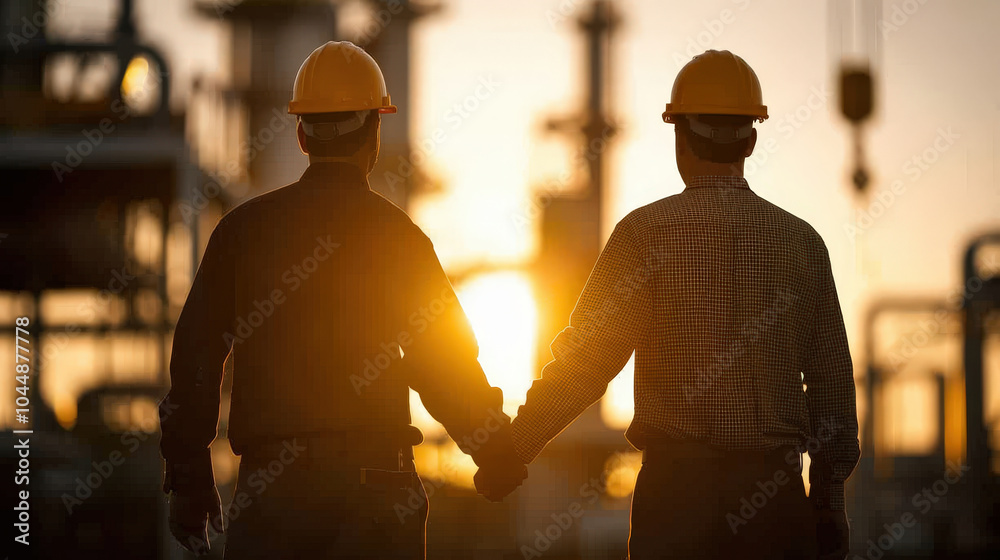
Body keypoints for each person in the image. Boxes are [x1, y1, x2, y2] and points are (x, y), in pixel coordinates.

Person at [475, 50, 860, 559]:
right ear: (751, 138)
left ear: (679, 136)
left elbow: (587, 363)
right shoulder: (802, 244)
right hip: (774, 505)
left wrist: (513, 450)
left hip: (676, 505)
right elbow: (832, 387)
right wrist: (828, 501)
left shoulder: (644, 236)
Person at [159, 41, 524, 559]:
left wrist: (189, 476)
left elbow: (196, 357)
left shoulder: (242, 232)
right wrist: (494, 448)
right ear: (375, 132)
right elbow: (442, 362)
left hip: (274, 495)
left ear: (302, 134)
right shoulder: (398, 237)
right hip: (377, 490)